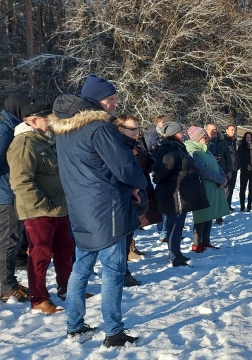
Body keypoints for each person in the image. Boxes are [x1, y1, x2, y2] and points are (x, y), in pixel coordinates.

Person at [50, 85, 148, 347]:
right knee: (114, 270)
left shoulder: (65, 129)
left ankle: (75, 325)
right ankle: (113, 331)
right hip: (107, 210)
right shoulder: (98, 128)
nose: (115, 104)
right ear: (94, 100)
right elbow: (124, 166)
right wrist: (139, 184)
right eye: (110, 99)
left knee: (80, 268)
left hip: (81, 209)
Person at [8, 101, 72, 314]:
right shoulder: (24, 144)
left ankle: (67, 288)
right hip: (39, 211)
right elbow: (21, 182)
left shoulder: (44, 140)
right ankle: (39, 298)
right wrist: (42, 205)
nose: (52, 121)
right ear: (33, 121)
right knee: (40, 254)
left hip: (58, 208)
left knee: (65, 250)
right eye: (48, 118)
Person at [152, 122, 209, 266]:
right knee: (175, 225)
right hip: (175, 193)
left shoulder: (177, 147)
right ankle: (174, 256)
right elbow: (162, 171)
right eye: (180, 132)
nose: (183, 134)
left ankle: (175, 253)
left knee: (175, 225)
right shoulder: (169, 149)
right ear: (173, 134)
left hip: (180, 191)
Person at [116, 114, 163, 286]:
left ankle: (124, 270)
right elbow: (131, 169)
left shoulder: (134, 144)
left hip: (138, 193)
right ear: (120, 129)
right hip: (124, 197)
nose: (136, 132)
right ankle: (122, 273)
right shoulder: (118, 146)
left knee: (129, 232)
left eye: (138, 128)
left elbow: (147, 162)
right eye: (132, 129)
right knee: (121, 239)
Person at [0, 94, 30, 303]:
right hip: (5, 194)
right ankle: (7, 286)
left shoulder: (10, 125)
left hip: (8, 192)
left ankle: (7, 281)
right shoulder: (5, 129)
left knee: (11, 240)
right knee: (8, 241)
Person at [185, 127, 229, 252]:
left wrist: (223, 178)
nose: (207, 139)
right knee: (201, 215)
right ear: (197, 138)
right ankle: (197, 243)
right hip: (202, 188)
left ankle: (206, 241)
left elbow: (216, 165)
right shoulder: (193, 152)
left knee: (210, 214)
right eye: (205, 137)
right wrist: (220, 180)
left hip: (213, 188)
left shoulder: (206, 150)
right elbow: (203, 171)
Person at [205, 123, 232, 225]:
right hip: (209, 172)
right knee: (211, 195)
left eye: (215, 129)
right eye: (211, 130)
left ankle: (219, 216)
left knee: (222, 194)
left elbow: (228, 156)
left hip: (222, 170)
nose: (214, 132)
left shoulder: (222, 142)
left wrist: (230, 170)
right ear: (206, 130)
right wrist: (212, 158)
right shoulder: (204, 142)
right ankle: (209, 215)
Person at [237, 132, 252, 212]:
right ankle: (242, 206)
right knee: (242, 188)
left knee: (251, 189)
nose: (249, 139)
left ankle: (249, 205)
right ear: (245, 138)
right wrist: (247, 166)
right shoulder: (242, 147)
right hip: (245, 170)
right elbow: (240, 158)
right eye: (247, 137)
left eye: (250, 137)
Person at [224, 125, 239, 211]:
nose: (233, 131)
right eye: (231, 130)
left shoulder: (234, 141)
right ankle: (224, 206)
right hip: (228, 168)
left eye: (234, 130)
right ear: (227, 130)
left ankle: (228, 204)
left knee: (232, 188)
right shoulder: (224, 141)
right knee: (227, 188)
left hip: (235, 168)